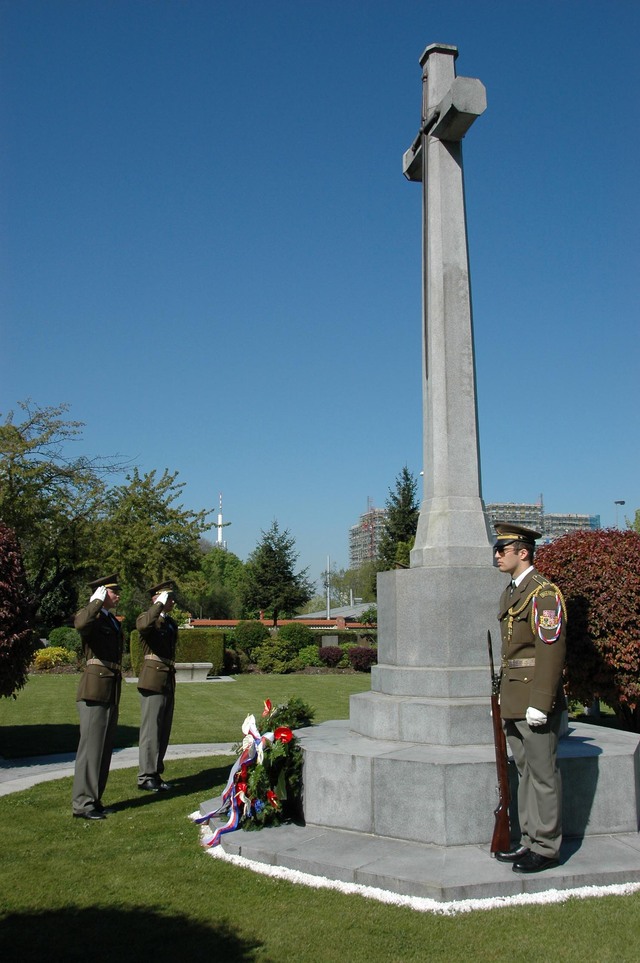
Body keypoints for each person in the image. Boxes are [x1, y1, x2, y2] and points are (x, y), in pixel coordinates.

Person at [492, 523, 567, 873]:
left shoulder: (543, 593)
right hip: (514, 697)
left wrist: (542, 700)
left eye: (502, 549)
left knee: (543, 774)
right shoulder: (511, 592)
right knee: (524, 771)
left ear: (523, 553)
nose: (497, 555)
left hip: (534, 699)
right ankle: (530, 839)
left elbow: (550, 650)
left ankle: (547, 847)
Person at [72, 574, 123, 820]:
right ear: (102, 593)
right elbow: (81, 625)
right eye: (113, 592)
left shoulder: (110, 619)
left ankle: (94, 799)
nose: (118, 596)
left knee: (102, 749)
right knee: (90, 748)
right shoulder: (90, 615)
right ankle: (82, 803)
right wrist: (95, 602)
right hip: (95, 688)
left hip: (109, 687)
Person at [136, 580, 178, 791]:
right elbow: (144, 626)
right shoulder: (147, 618)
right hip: (152, 679)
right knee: (151, 730)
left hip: (167, 678)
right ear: (157, 598)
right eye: (168, 598)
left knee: (163, 731)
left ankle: (155, 771)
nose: (172, 601)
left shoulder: (170, 623)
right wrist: (158, 605)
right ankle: (145, 775)